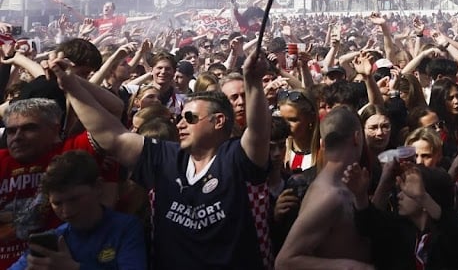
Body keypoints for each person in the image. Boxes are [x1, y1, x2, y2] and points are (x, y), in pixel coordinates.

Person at [51, 48, 272, 270]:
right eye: (180, 117)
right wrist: (71, 86)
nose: (180, 124)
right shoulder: (165, 157)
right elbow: (113, 136)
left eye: (190, 117)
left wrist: (253, 83)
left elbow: (259, 133)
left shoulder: (237, 158)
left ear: (218, 121)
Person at [0, 99, 119, 269]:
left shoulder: (72, 153)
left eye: (29, 128)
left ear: (54, 129)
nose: (17, 137)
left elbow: (113, 108)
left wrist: (68, 82)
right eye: (11, 131)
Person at [10, 150, 146, 270]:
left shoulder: (125, 228)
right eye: (57, 203)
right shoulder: (54, 239)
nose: (66, 211)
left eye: (74, 199)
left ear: (98, 187)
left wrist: (73, 267)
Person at [276, 107, 373, 269]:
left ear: (322, 143)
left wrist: (384, 184)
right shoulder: (329, 195)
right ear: (357, 137)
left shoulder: (345, 183)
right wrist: (352, 267)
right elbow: (284, 261)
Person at [345, 163, 458, 270]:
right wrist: (360, 196)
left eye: (408, 191)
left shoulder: (446, 236)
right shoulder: (397, 229)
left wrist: (423, 198)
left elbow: (454, 232)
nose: (399, 195)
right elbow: (368, 223)